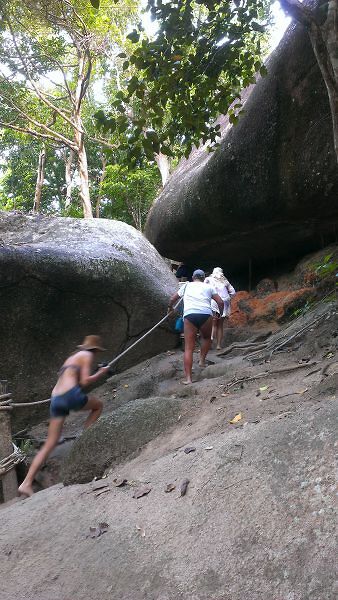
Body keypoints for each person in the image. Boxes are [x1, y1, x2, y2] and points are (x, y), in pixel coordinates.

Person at [18, 335, 110, 498]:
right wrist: (101, 372)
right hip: (70, 396)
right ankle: (85, 438)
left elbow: (76, 381)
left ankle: (26, 483)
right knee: (98, 406)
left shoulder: (72, 358)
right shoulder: (87, 355)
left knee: (50, 443)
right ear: (95, 349)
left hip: (56, 399)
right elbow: (85, 381)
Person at [168, 269, 224, 384]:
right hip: (205, 314)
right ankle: (202, 361)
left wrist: (170, 308)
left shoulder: (187, 286)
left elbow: (172, 299)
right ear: (204, 278)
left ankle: (188, 379)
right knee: (206, 338)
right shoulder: (209, 287)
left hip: (190, 315)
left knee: (189, 347)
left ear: (193, 277)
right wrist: (219, 313)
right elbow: (221, 302)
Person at [205, 267, 236, 350]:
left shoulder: (209, 279)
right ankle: (218, 345)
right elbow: (233, 292)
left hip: (214, 302)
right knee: (220, 325)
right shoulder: (225, 281)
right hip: (224, 302)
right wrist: (227, 297)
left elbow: (204, 289)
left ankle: (209, 343)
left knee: (213, 324)